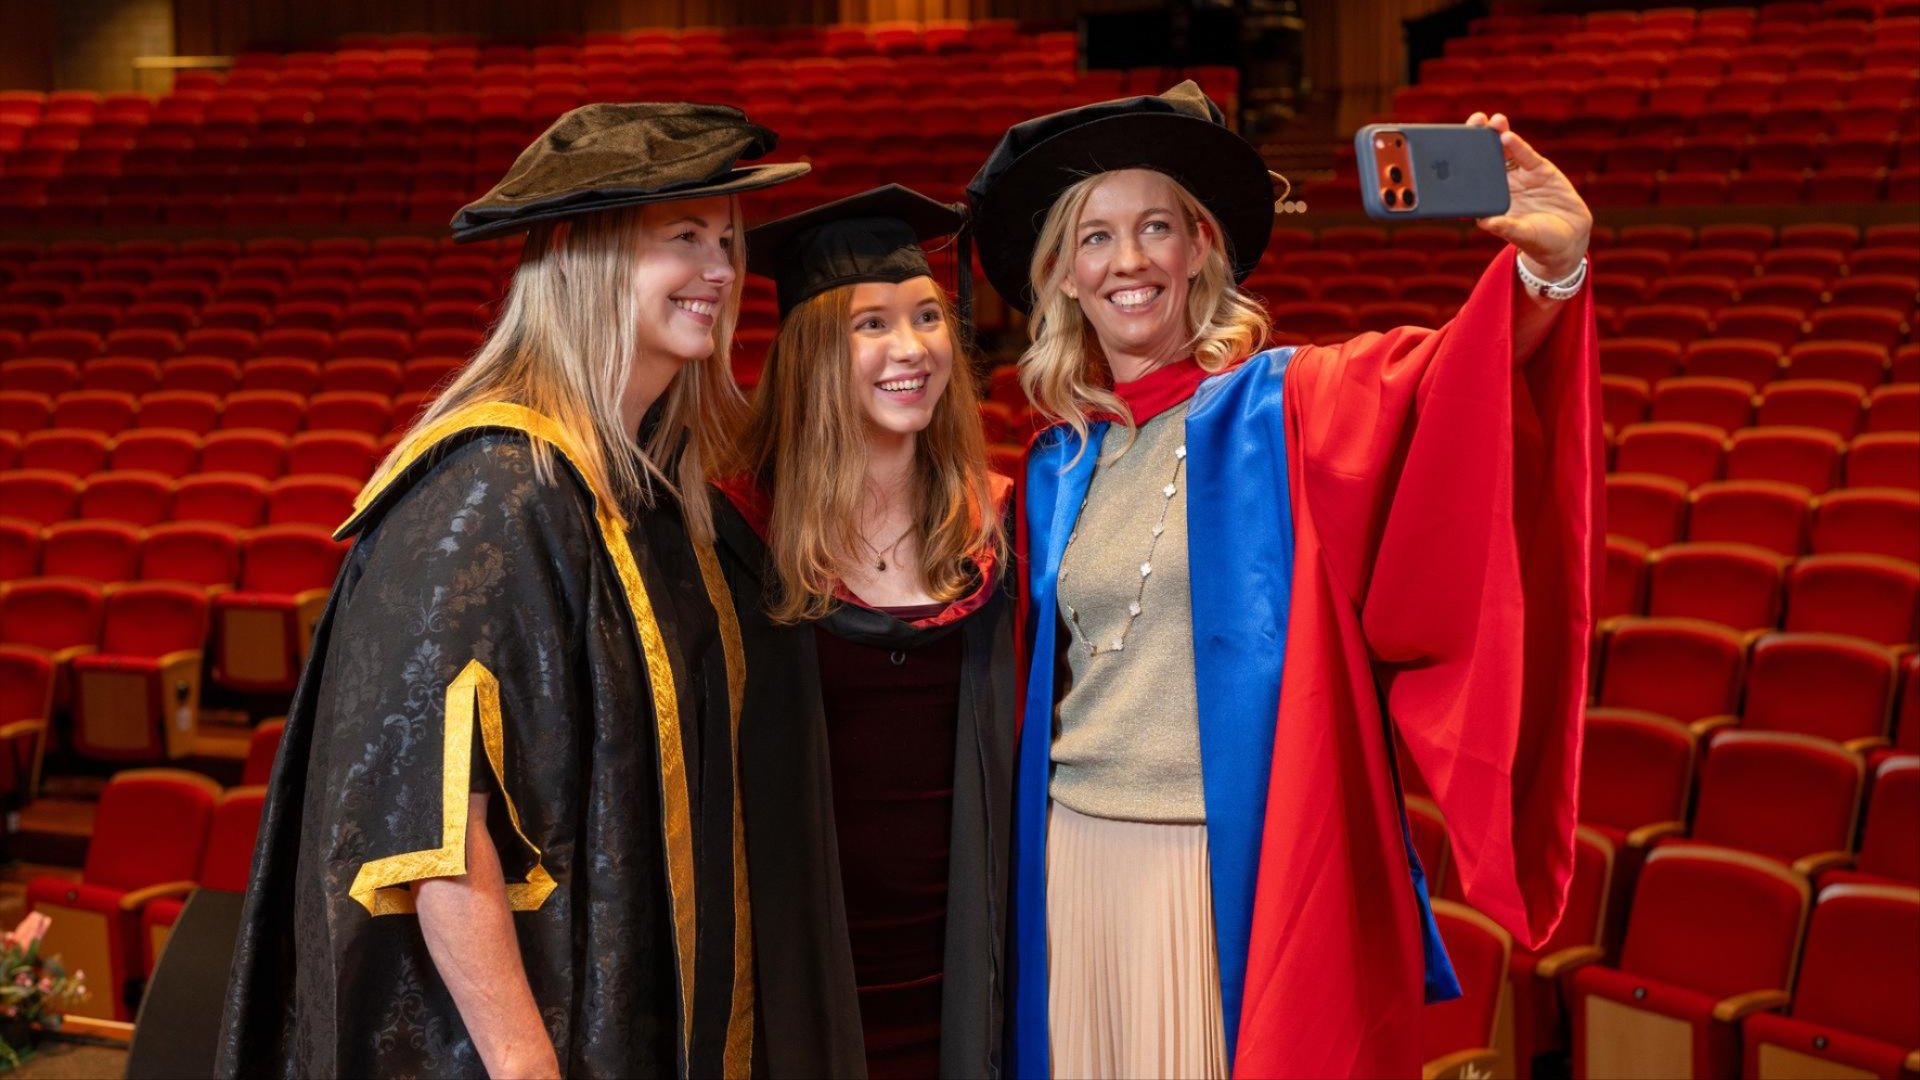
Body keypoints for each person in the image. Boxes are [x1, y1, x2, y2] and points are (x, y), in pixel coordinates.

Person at [966, 82, 1599, 1078]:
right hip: (1071, 867)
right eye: (1094, 238)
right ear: (1063, 279)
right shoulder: (1055, 468)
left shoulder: (1288, 409)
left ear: (1201, 251)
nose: (1128, 259)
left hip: (1218, 877)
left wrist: (1549, 270)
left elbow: (1451, 388)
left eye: (1156, 227)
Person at [215, 103, 808, 1080]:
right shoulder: (490, 491)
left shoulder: (647, 494)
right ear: (588, 260)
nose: (720, 270)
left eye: (728, 241)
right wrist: (526, 1065)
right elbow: (435, 834)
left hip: (624, 1005)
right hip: (512, 1042)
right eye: (684, 238)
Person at [710, 186, 1016, 1079]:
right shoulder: (736, 539)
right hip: (801, 966)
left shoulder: (997, 527)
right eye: (871, 325)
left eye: (927, 317)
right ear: (808, 354)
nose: (912, 348)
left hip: (965, 957)